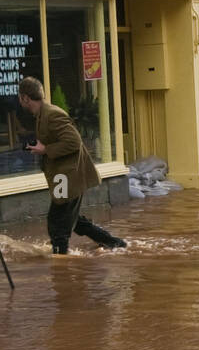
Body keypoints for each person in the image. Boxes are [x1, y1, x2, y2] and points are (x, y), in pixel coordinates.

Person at [17, 76, 127, 254]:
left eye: (20, 98)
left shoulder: (52, 114)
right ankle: (114, 243)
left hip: (68, 176)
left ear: (25, 98)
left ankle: (62, 265)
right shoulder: (42, 115)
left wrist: (45, 149)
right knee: (73, 220)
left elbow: (74, 142)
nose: (20, 101)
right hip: (63, 176)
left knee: (57, 221)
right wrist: (41, 147)